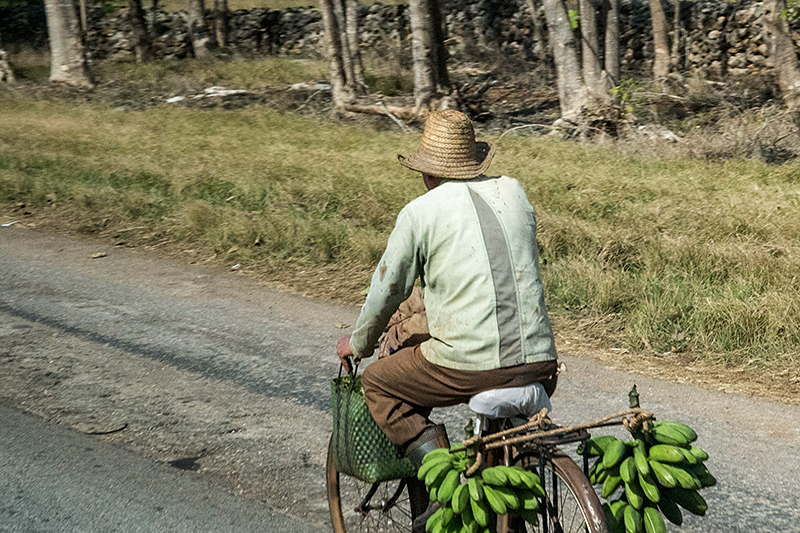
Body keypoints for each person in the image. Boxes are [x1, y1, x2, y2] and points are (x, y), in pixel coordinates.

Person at [335, 109, 558, 531]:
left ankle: (445, 486)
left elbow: (387, 290)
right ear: (473, 162)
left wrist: (359, 344)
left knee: (378, 382)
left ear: (426, 171)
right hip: (543, 363)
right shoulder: (513, 191)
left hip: (469, 369)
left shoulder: (420, 212)